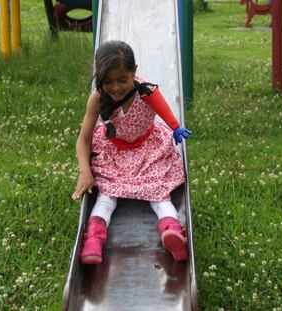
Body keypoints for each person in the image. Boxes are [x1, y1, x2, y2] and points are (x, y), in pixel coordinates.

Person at [72, 40, 193, 265]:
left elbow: (164, 110)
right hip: (114, 151)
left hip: (148, 149)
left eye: (122, 80)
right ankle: (94, 240)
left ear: (134, 72)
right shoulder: (98, 98)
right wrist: (84, 170)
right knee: (107, 194)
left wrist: (176, 128)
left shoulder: (145, 91)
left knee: (158, 190)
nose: (116, 87)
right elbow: (83, 139)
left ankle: (172, 230)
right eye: (108, 81)